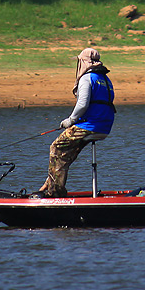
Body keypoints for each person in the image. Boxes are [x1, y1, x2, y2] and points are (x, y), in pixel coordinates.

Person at [34, 48, 116, 197]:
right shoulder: (105, 79)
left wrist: (70, 120)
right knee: (66, 153)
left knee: (56, 147)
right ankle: (48, 185)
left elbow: (83, 104)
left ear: (83, 62)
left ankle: (55, 192)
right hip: (104, 126)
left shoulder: (87, 78)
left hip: (88, 126)